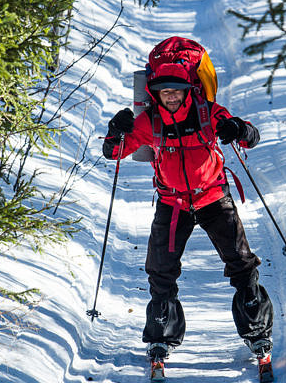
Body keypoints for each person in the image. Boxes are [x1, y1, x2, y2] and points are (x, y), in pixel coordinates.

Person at [102, 60, 273, 363]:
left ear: (187, 90)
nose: (170, 96)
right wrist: (115, 131)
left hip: (213, 198)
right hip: (173, 203)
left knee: (242, 264)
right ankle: (159, 338)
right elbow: (114, 153)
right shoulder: (150, 122)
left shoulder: (208, 113)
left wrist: (238, 128)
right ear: (155, 93)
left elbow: (252, 137)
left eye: (176, 91)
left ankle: (257, 332)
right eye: (164, 91)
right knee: (160, 271)